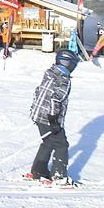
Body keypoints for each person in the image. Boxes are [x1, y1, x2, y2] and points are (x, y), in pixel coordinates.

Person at [25, 49, 79, 185]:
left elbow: (38, 91)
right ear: (68, 64)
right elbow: (56, 100)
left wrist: (34, 110)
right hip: (50, 118)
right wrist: (53, 120)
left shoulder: (49, 73)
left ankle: (39, 171)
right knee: (61, 145)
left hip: (38, 115)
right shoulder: (64, 80)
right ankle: (59, 175)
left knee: (47, 142)